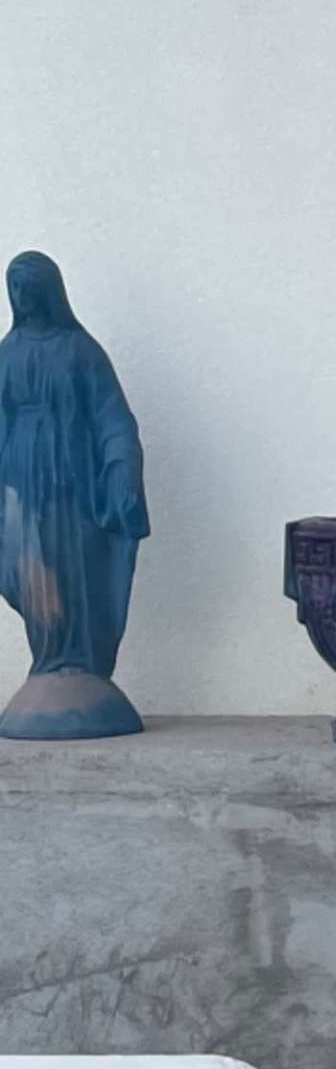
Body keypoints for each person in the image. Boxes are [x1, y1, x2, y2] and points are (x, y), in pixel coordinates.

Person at [0, 252, 150, 740]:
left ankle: (79, 662)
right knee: (31, 565)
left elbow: (113, 421)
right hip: (22, 477)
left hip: (72, 479)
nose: (22, 296)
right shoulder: (8, 351)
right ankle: (48, 659)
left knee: (72, 563)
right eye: (13, 286)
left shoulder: (81, 351)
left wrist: (122, 473)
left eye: (29, 286)